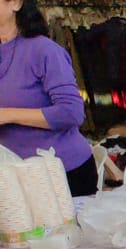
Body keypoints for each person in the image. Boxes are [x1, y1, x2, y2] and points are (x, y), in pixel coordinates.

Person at [0, 0, 94, 196]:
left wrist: (7, 115)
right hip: (14, 176)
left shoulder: (44, 51)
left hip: (62, 173)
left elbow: (72, 112)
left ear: (15, 4)